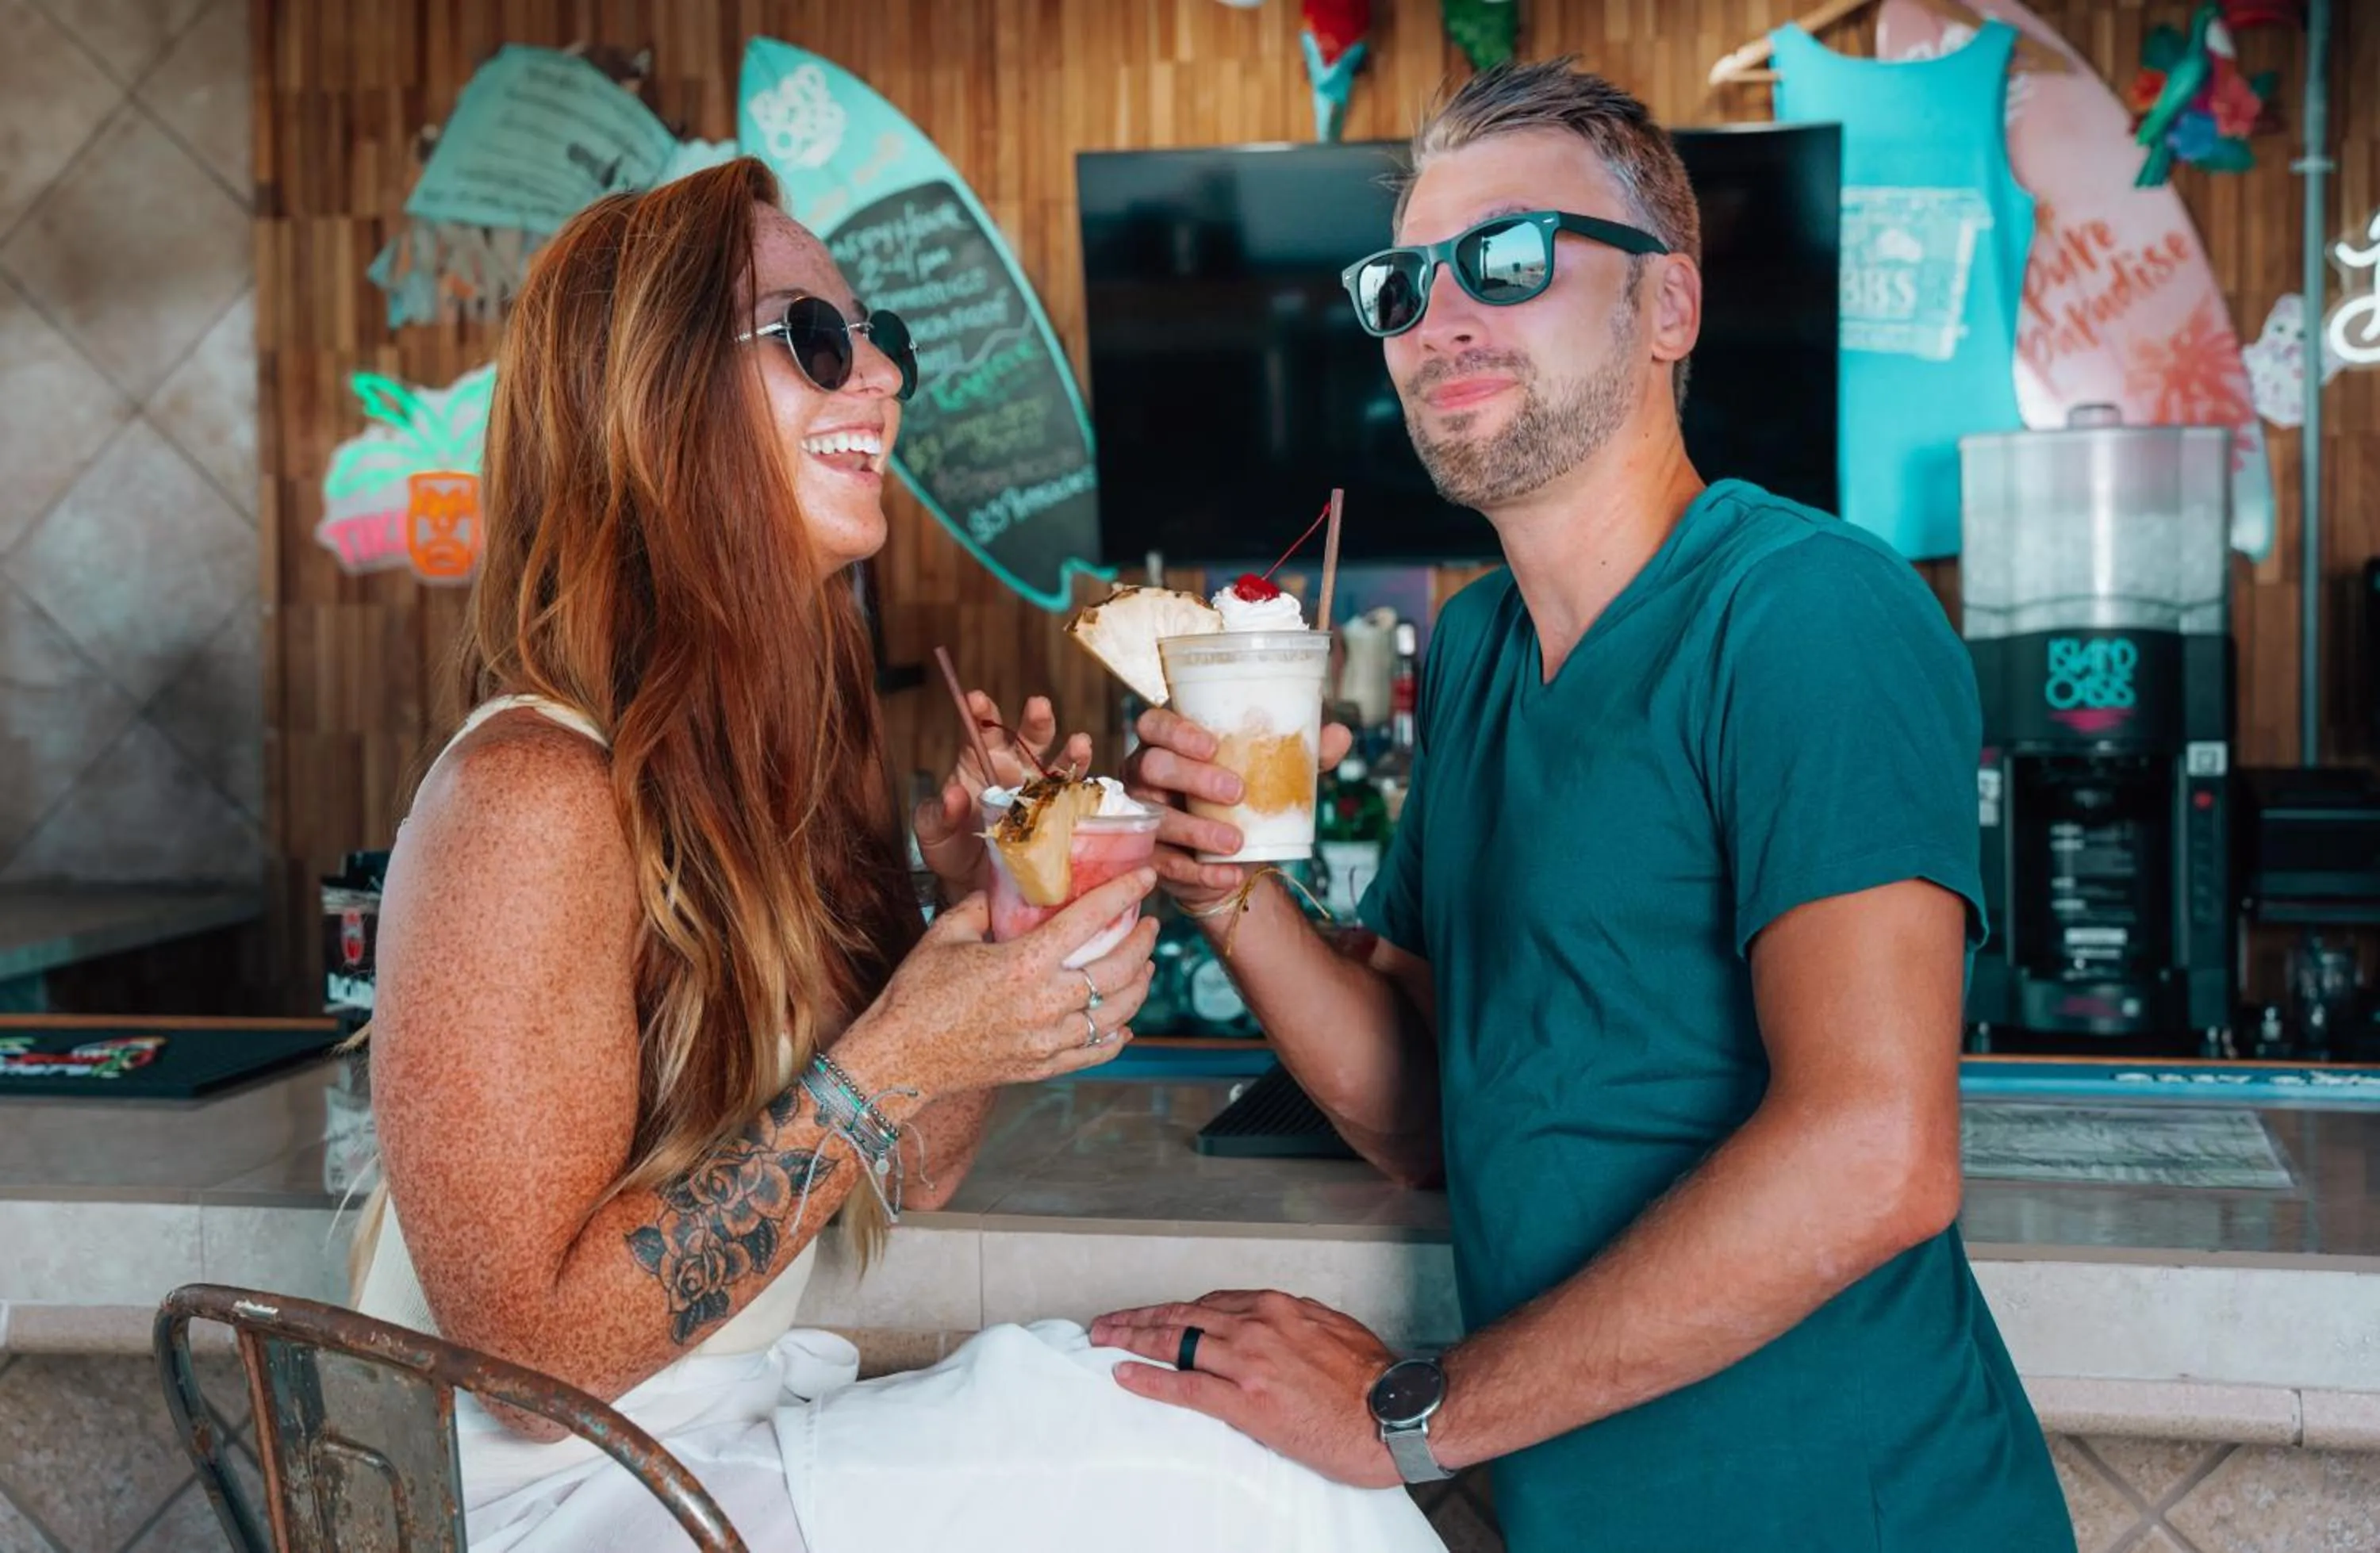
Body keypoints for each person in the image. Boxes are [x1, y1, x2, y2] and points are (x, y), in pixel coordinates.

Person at [347, 156, 1443, 1553]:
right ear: (653, 394)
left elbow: (914, 1167)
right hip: (544, 1504)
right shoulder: (528, 793)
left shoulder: (778, 778)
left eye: (883, 340)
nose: (880, 379)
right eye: (815, 338)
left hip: (702, 1452)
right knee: (1264, 1487)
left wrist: (981, 910)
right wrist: (898, 1052)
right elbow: (525, 1368)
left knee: (1266, 1448)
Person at [1096, 58, 2077, 1553]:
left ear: (1668, 305)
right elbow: (1424, 1116)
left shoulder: (1806, 612)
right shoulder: (1481, 647)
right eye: (1402, 285)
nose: (1441, 315)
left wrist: (1408, 1415)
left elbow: (1878, 1152)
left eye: (1508, 257)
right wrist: (1227, 888)